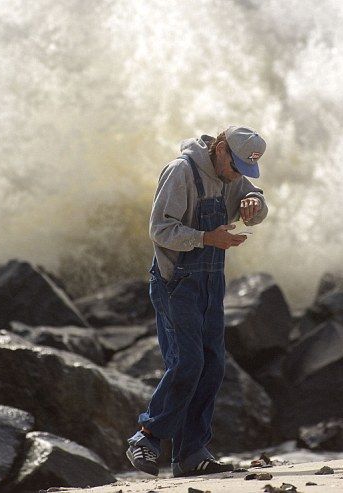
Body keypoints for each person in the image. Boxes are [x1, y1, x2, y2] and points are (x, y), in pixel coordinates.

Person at [126, 125, 269, 477]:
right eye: (235, 166)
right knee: (188, 363)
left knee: (213, 366)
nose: (237, 176)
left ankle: (191, 454)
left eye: (244, 170)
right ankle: (146, 437)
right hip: (176, 285)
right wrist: (206, 238)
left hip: (210, 284)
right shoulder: (181, 172)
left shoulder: (232, 176)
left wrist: (255, 203)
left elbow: (254, 199)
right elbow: (159, 229)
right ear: (220, 149)